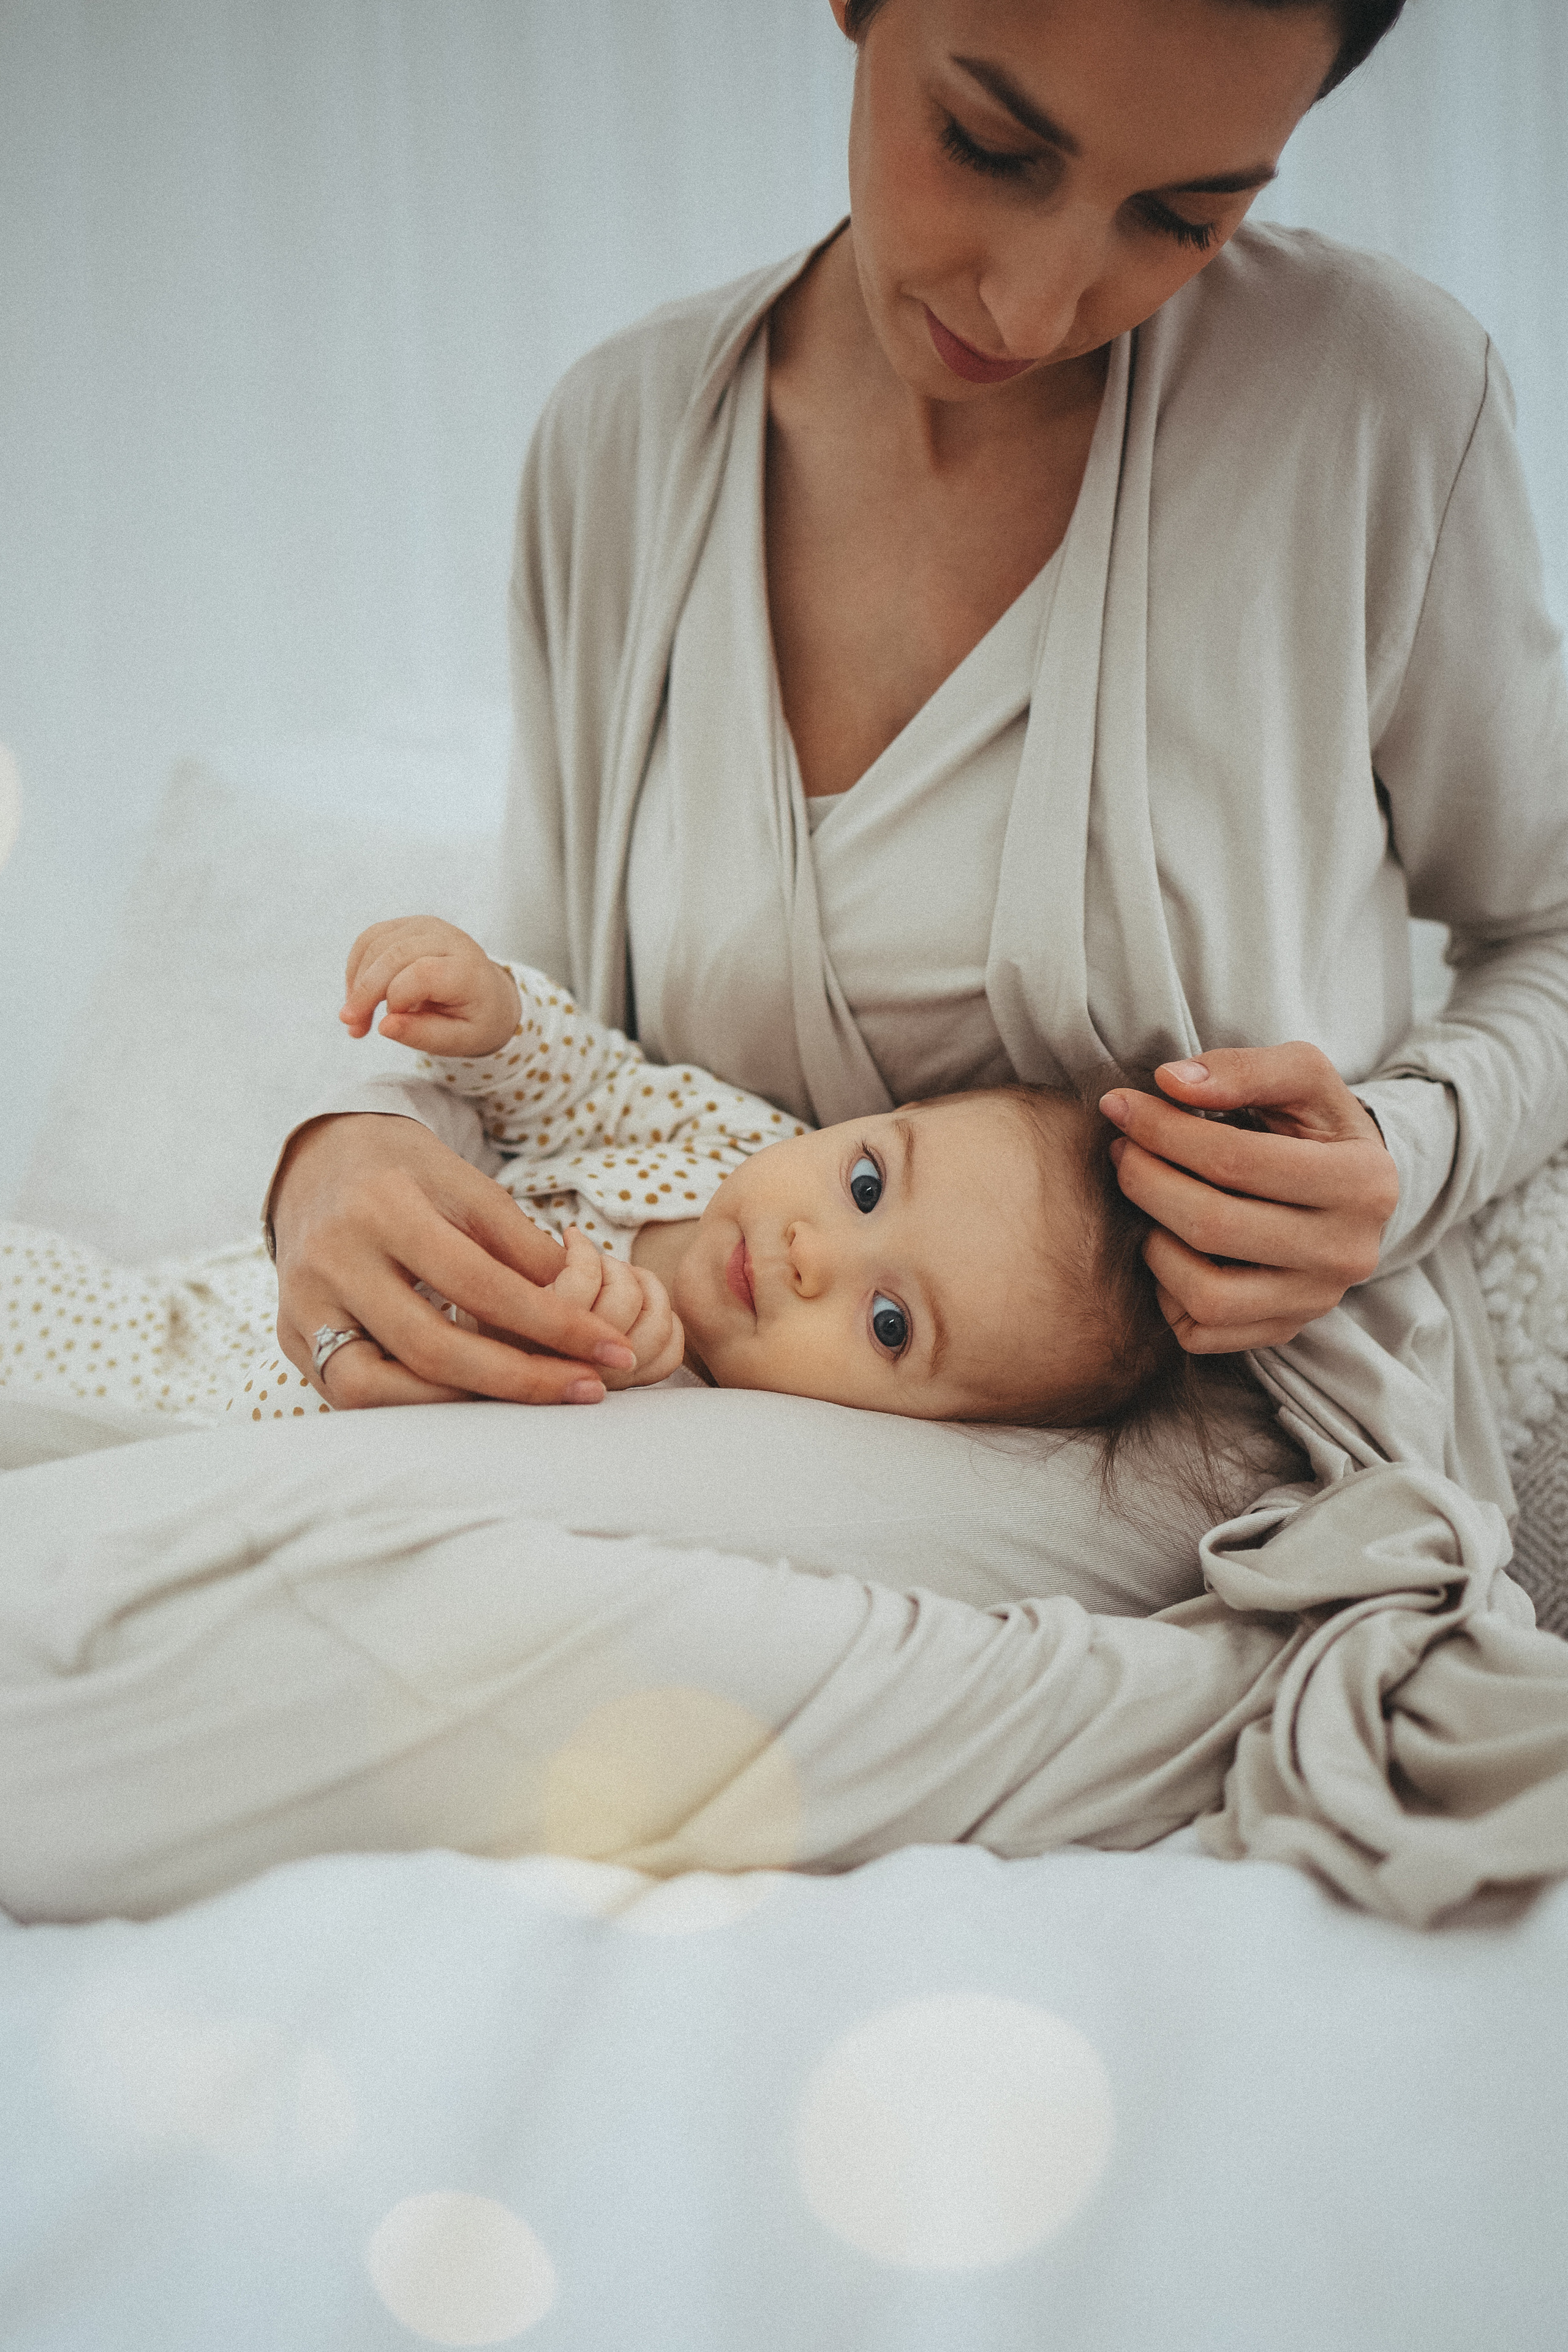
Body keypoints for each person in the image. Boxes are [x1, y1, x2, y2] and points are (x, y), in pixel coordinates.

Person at [258, 0, 1568, 1534]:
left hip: (1213, 1498)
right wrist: (347, 1159)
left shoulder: (1368, 402)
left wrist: (1401, 1158)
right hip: (660, 1429)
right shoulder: (618, 443)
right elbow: (538, 1025)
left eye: (1182, 220)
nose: (1031, 307)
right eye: (990, 147)